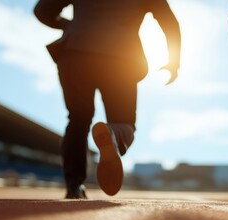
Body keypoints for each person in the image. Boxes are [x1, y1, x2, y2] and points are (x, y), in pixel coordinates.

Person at [34, 0, 181, 199]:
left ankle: (74, 186)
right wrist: (174, 61)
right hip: (120, 58)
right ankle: (113, 133)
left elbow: (42, 10)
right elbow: (169, 22)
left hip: (75, 51)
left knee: (77, 120)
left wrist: (68, 24)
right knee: (125, 124)